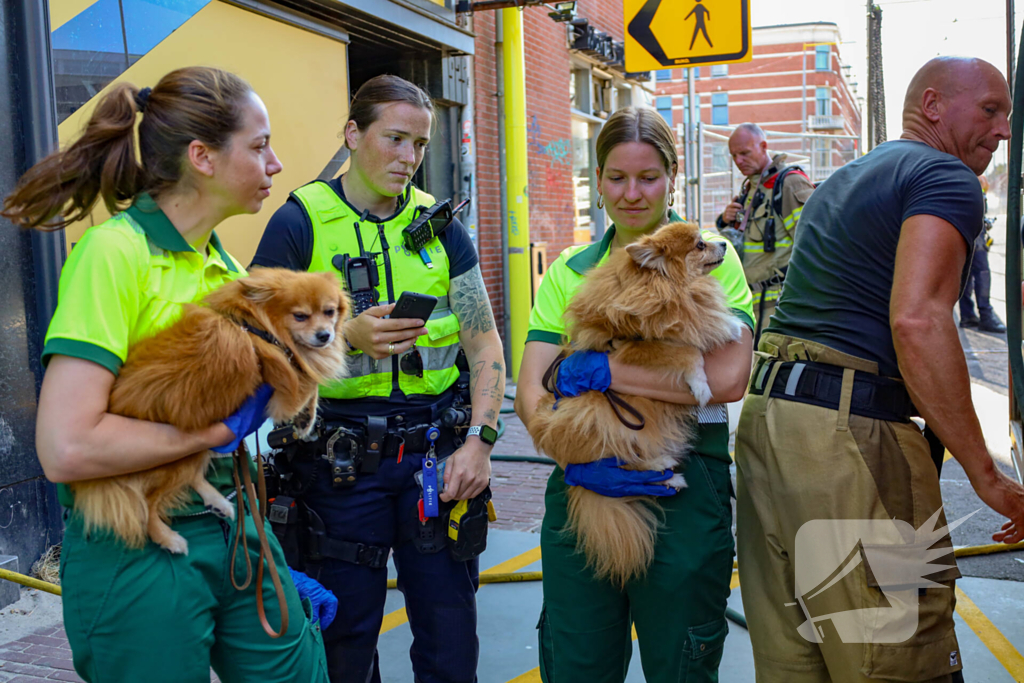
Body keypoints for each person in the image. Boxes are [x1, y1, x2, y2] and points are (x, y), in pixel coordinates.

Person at [4, 68, 333, 682]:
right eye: (260, 146)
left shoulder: (228, 269)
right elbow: (66, 448)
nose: (277, 164)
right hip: (136, 537)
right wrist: (207, 436)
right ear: (202, 157)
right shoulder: (115, 254)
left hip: (234, 524)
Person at [734, 57, 1024, 683]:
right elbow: (919, 322)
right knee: (898, 659)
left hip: (768, 429)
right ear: (933, 105)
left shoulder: (847, 177)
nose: (1004, 130)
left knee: (797, 661)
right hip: (847, 441)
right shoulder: (945, 176)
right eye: (991, 110)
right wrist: (989, 477)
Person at [252, 74, 505, 683]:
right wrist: (344, 336)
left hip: (436, 464)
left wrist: (481, 441)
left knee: (450, 643)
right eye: (394, 139)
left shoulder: (442, 226)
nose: (408, 159)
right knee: (345, 644)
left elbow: (484, 339)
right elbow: (252, 347)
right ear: (352, 134)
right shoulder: (299, 223)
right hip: (336, 469)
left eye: (418, 145)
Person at [514, 106, 754, 683]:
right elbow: (531, 392)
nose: (631, 193)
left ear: (672, 177)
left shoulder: (712, 258)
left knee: (681, 661)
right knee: (578, 660)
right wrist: (576, 459)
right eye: (616, 177)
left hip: (685, 479)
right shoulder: (570, 270)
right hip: (584, 478)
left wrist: (601, 371)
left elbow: (726, 379)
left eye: (647, 177)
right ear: (597, 181)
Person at [716, 123, 815, 342]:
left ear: (763, 146)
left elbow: (813, 246)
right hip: (751, 307)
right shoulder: (750, 189)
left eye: (744, 153)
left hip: (780, 309)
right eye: (734, 156)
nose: (738, 161)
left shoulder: (789, 183)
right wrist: (725, 221)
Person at [958, 175, 1006, 332]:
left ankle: (967, 316)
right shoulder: (973, 178)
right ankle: (985, 315)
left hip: (964, 231)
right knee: (982, 273)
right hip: (974, 234)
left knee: (966, 275)